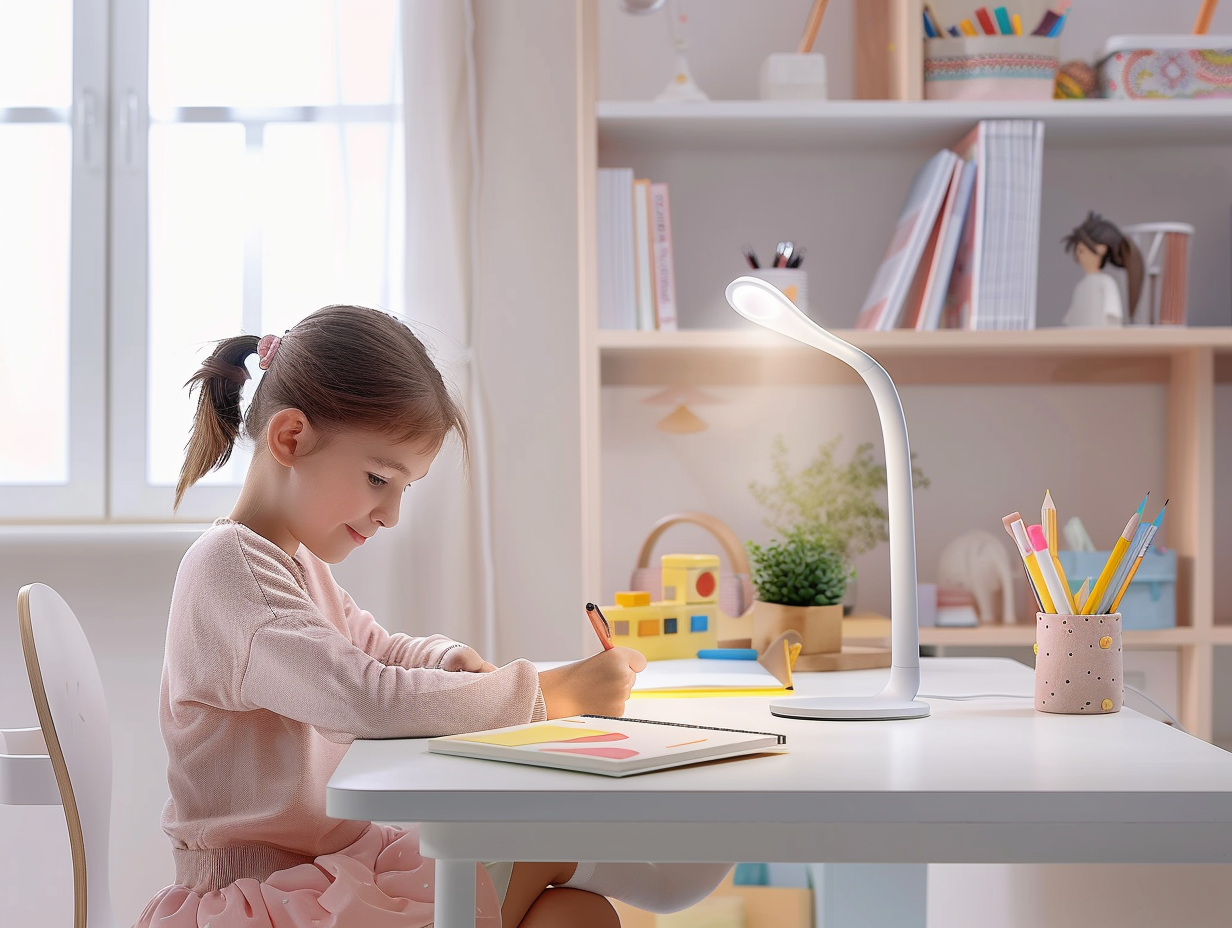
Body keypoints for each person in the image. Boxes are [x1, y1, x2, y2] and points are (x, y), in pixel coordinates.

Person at [135, 305, 731, 928]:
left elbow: (374, 651)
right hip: (272, 898)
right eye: (378, 479)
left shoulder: (290, 564)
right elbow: (362, 698)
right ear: (291, 438)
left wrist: (448, 661)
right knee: (546, 845)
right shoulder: (230, 570)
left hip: (327, 873)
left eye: (404, 489)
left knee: (578, 915)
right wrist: (547, 697)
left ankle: (663, 870)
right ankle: (669, 870)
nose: (390, 514)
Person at [1061, 211, 1144, 327]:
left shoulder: (1106, 284)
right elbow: (1073, 320)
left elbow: (1112, 320)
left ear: (1101, 249)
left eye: (1082, 251)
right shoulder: (1081, 286)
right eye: (1077, 251)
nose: (1078, 256)